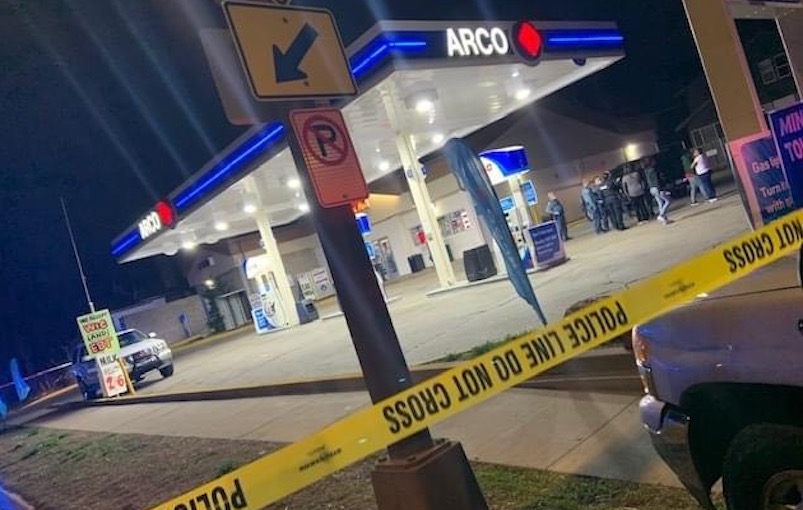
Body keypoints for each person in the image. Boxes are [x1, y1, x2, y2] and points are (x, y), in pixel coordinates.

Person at [644, 157, 671, 224]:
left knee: (660, 203)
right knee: (668, 201)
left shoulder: (646, 171)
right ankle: (661, 215)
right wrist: (659, 188)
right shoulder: (653, 170)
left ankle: (664, 218)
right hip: (656, 188)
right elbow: (656, 180)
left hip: (651, 188)